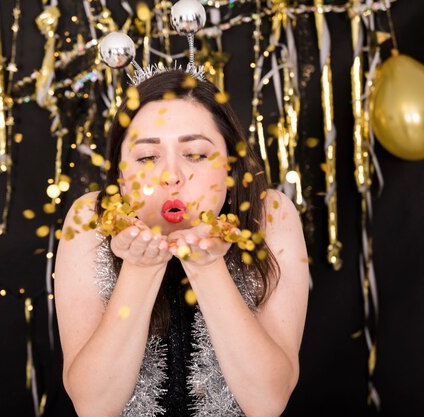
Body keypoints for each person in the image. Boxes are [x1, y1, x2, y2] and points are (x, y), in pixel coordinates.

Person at [55, 69, 309, 417]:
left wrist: (206, 265)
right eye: (147, 158)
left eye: (196, 154)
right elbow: (94, 406)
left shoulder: (270, 216)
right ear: (120, 177)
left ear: (230, 168)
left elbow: (268, 403)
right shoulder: (90, 219)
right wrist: (141, 267)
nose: (171, 175)